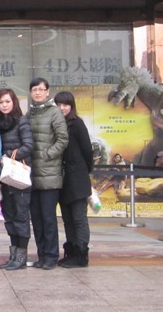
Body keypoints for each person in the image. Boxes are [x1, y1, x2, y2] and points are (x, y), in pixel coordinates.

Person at [28, 78, 69, 270]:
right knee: (36, 219)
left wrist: (47, 155)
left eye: (41, 89)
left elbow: (63, 139)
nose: (37, 92)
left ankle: (51, 256)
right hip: (32, 174)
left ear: (47, 91)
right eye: (34, 89)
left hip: (49, 174)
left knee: (48, 218)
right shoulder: (30, 113)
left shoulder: (54, 112)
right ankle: (41, 255)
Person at [0, 88, 34, 270]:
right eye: (1, 102)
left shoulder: (21, 121)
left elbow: (28, 146)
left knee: (21, 216)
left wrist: (9, 156)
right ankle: (13, 255)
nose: (4, 105)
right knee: (9, 216)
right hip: (4, 177)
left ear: (14, 102)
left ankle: (21, 258)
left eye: (7, 101)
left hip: (18, 177)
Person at [54, 91, 94, 268]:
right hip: (62, 180)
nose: (62, 108)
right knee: (67, 219)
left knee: (79, 218)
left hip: (77, 179)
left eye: (65, 105)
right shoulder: (55, 124)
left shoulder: (77, 124)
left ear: (71, 106)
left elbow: (87, 151)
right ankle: (70, 252)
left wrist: (85, 172)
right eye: (59, 105)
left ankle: (81, 255)